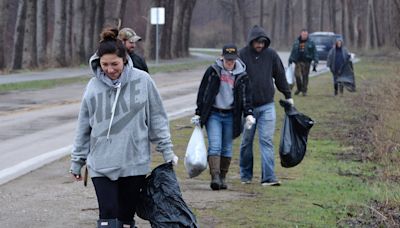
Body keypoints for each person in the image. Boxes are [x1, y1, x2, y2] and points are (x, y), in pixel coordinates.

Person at [70, 28, 178, 228]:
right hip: (101, 162)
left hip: (134, 161)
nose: (110, 70)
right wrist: (77, 160)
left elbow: (157, 119)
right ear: (98, 62)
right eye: (104, 64)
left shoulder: (143, 81)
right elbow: (83, 127)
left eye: (115, 64)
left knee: (126, 217)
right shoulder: (93, 87)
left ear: (125, 60)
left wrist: (167, 151)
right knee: (108, 215)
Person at [192, 44, 254, 191]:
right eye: (227, 60)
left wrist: (249, 113)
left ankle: (223, 177)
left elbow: (246, 96)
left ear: (236, 59)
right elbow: (203, 92)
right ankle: (215, 176)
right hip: (214, 113)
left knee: (227, 147)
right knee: (215, 144)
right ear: (222, 57)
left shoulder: (242, 75)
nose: (230, 63)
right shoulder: (213, 71)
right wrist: (198, 112)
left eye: (232, 60)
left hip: (231, 115)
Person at [238, 25, 293, 186]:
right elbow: (236, 79)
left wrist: (288, 95)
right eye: (257, 42)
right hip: (248, 108)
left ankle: (268, 177)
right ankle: (245, 175)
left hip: (267, 106)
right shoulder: (242, 55)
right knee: (246, 142)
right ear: (251, 41)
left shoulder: (271, 55)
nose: (260, 45)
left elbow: (280, 76)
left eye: (262, 42)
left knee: (266, 140)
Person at [288, 29, 319, 96]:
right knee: (297, 76)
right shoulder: (296, 42)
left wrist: (316, 60)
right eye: (303, 34)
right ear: (301, 34)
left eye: (306, 34)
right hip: (298, 61)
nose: (304, 36)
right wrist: (290, 59)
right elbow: (293, 51)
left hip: (307, 62)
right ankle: (299, 88)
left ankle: (304, 91)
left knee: (305, 76)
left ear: (307, 35)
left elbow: (315, 52)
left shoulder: (311, 42)